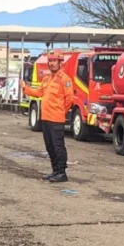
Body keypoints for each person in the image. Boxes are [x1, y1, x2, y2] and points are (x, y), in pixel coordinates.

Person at [21, 53, 74, 183]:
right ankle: (55, 170)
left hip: (56, 119)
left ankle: (62, 172)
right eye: (50, 61)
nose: (52, 63)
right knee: (49, 146)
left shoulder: (65, 79)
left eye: (54, 61)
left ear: (60, 63)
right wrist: (25, 88)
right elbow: (38, 93)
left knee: (58, 146)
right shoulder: (46, 79)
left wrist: (61, 111)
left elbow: (69, 100)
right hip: (46, 118)